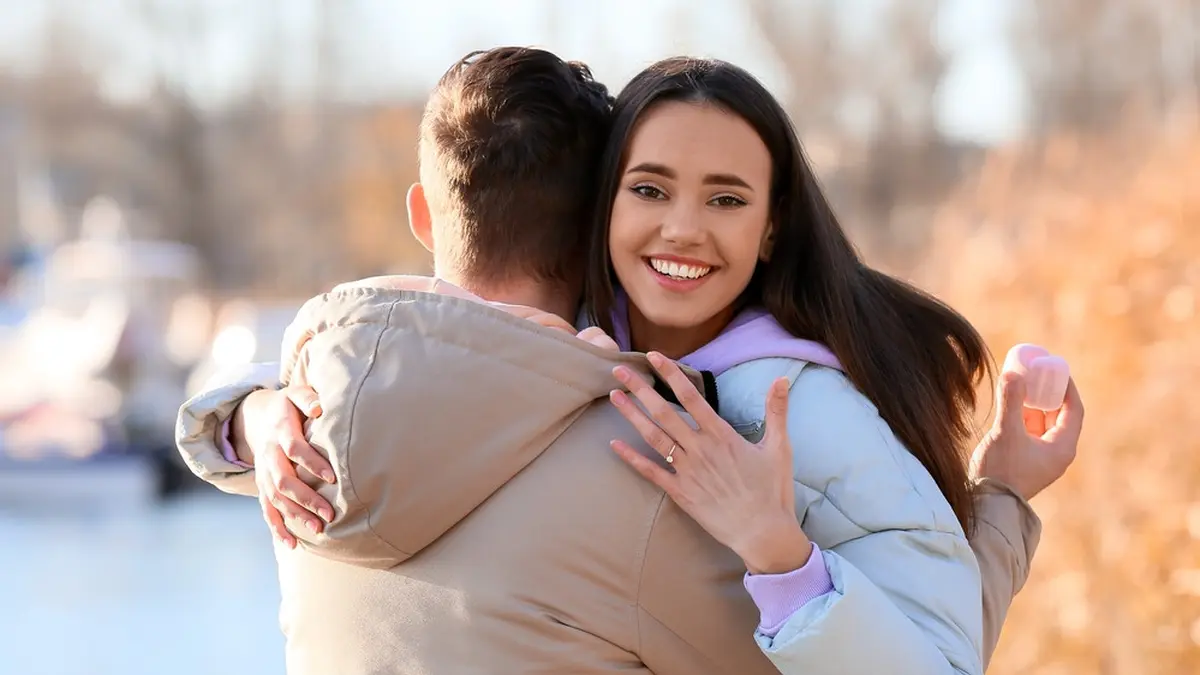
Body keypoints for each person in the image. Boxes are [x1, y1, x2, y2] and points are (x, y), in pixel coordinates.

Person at [177, 50, 1083, 673]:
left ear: (773, 225)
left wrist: (250, 420)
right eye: (649, 189)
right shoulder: (593, 415)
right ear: (597, 216)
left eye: (725, 198)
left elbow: (935, 653)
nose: (683, 228)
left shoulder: (799, 411)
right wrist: (250, 415)